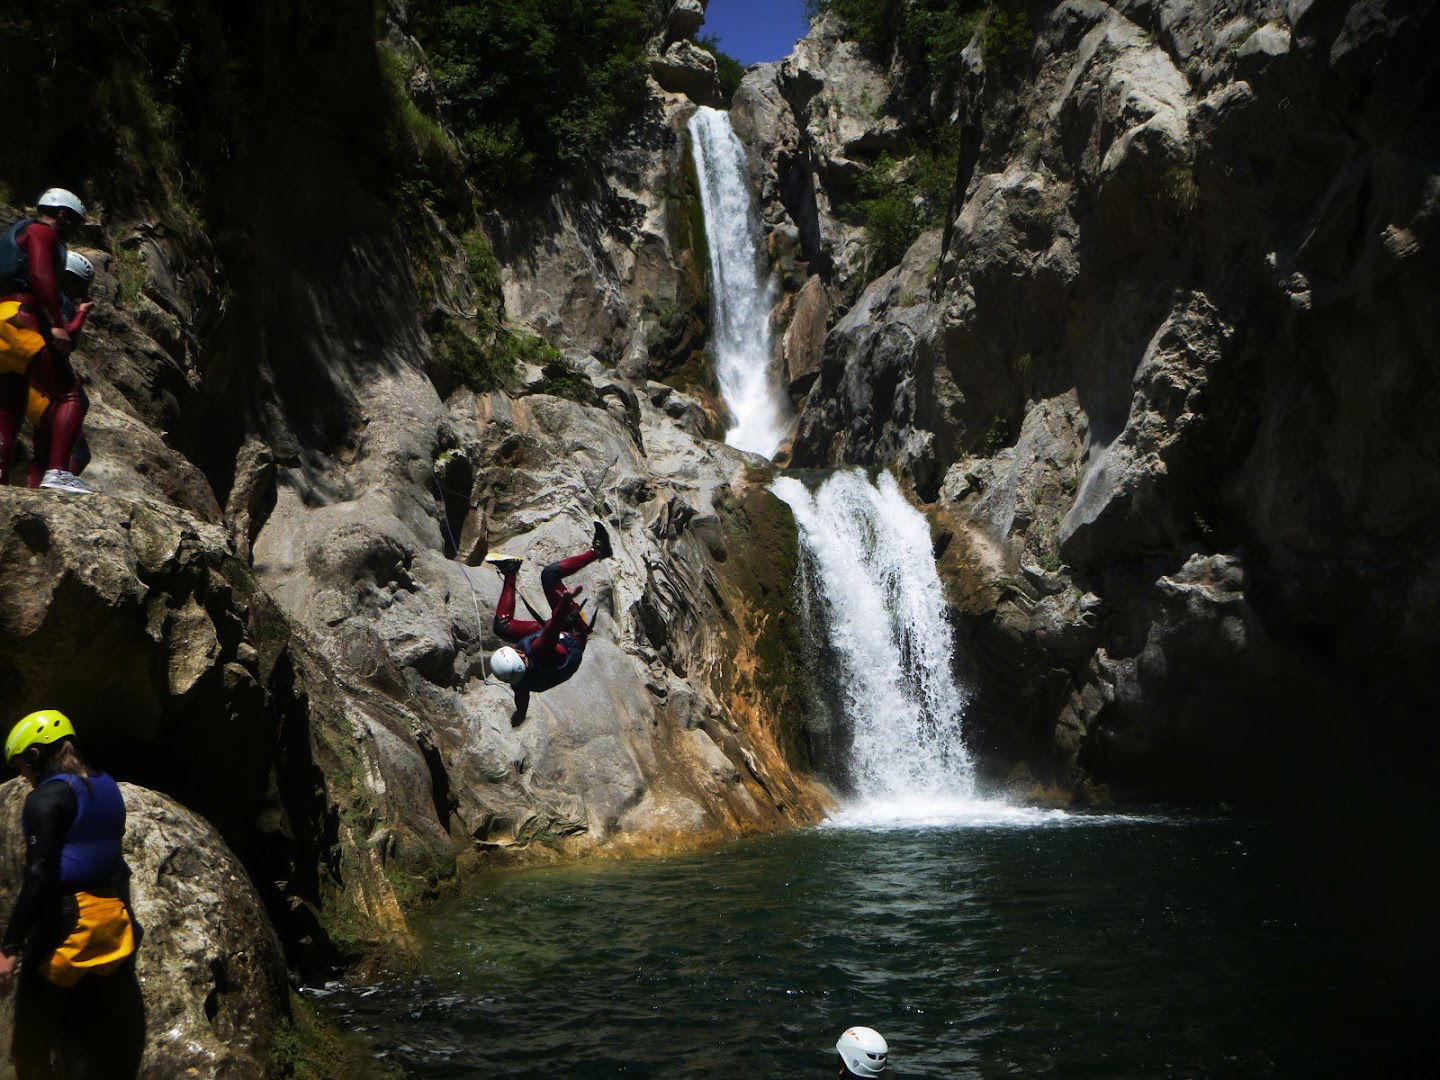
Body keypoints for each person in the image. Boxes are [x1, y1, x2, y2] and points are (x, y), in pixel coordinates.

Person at [0, 709, 143, 1078]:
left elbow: (39, 875)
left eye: (21, 763)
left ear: (35, 754)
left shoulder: (46, 798)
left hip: (67, 924)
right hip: (112, 921)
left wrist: (9, 947)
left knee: (31, 1047)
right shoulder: (108, 785)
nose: (22, 775)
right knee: (80, 1041)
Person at [0, 189, 91, 492]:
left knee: (9, 405)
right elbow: (40, 274)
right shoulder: (42, 232)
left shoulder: (14, 234)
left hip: (2, 320)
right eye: (74, 223)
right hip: (22, 317)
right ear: (63, 215)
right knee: (69, 394)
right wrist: (57, 321)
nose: (72, 231)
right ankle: (57, 472)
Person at [488, 521, 613, 726]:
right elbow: (552, 630)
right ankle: (599, 550)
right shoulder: (539, 650)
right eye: (515, 652)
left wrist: (520, 714)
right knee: (549, 574)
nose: (514, 649)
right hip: (572, 631)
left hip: (555, 644)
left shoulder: (519, 677)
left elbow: (521, 696)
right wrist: (563, 605)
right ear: (521, 659)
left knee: (502, 626)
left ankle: (511, 569)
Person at [25, 251, 95, 488]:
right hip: (49, 368)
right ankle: (60, 477)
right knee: (79, 447)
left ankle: (35, 485)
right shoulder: (61, 298)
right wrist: (83, 311)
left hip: (26, 367)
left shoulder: (35, 292)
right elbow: (68, 336)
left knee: (42, 440)